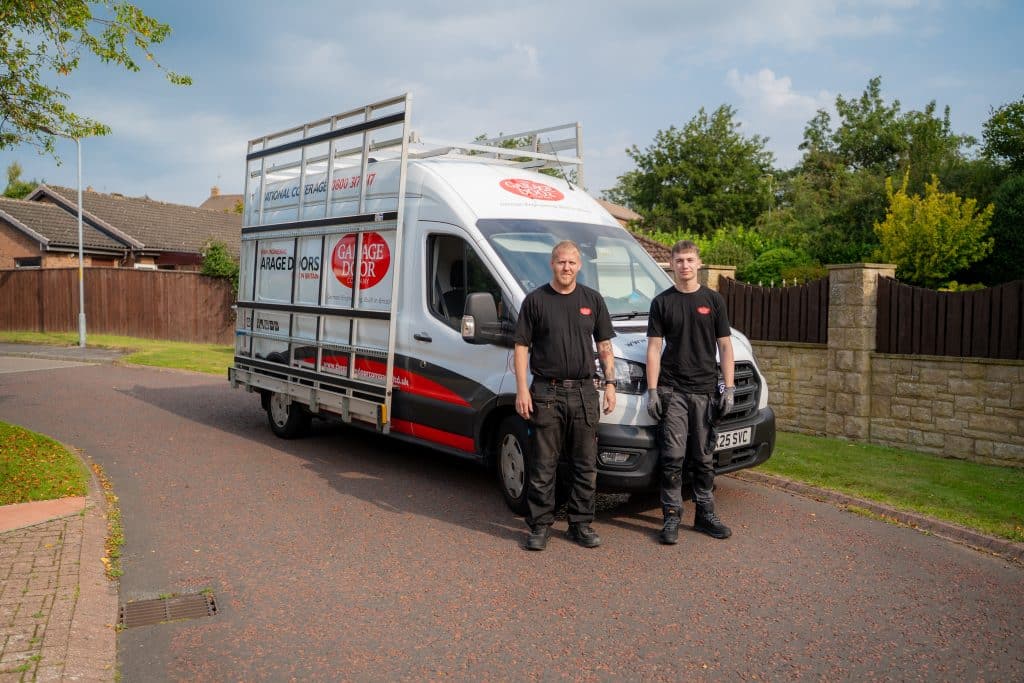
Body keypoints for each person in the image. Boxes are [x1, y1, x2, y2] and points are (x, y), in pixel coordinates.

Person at [513, 240, 617, 551]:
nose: (566, 268)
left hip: (585, 392)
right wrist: (522, 389)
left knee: (585, 464)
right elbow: (521, 348)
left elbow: (605, 346)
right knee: (544, 464)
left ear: (579, 265)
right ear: (552, 264)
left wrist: (610, 383)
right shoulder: (535, 301)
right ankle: (540, 526)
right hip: (546, 392)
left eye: (572, 262)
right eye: (561, 262)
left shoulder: (592, 300)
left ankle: (580, 525)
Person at [646, 240, 735, 544]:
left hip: (705, 391)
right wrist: (653, 390)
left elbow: (725, 345)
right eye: (679, 260)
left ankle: (705, 515)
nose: (684, 265)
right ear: (671, 264)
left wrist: (730, 387)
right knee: (672, 457)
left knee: (704, 458)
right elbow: (655, 348)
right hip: (673, 392)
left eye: (689, 260)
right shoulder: (661, 303)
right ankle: (671, 516)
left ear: (698, 263)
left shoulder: (713, 300)